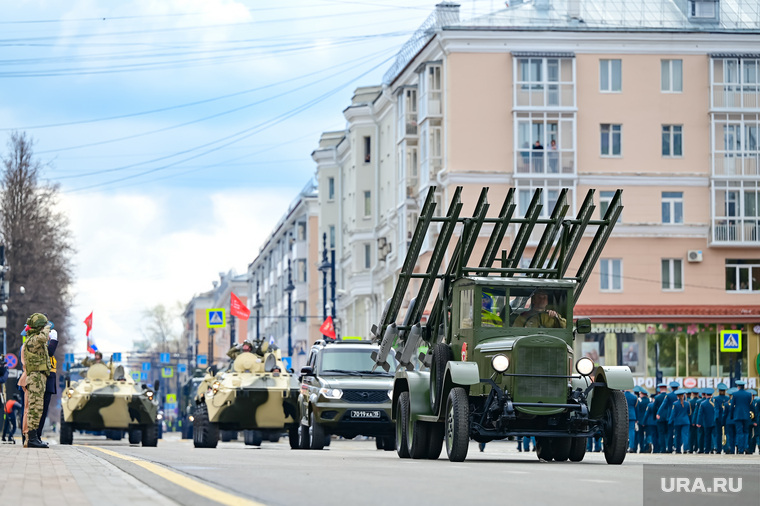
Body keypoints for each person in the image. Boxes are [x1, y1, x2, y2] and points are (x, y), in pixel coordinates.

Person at [22, 312, 51, 449]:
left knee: (38, 408)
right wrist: (46, 330)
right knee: (35, 407)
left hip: (39, 377)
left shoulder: (36, 339)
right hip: (35, 377)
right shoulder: (32, 340)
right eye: (44, 326)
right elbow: (43, 338)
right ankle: (32, 438)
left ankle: (33, 438)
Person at [38, 323, 59, 435]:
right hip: (42, 379)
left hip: (48, 379)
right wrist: (54, 340)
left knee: (44, 409)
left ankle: (37, 435)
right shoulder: (38, 341)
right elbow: (50, 352)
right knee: (38, 409)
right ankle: (34, 435)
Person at [730, 380, 752, 454]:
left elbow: (732, 405)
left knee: (739, 432)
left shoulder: (735, 394)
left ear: (738, 386)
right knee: (746, 431)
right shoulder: (749, 394)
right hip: (746, 415)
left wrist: (731, 415)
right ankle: (746, 446)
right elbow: (750, 404)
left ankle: (740, 448)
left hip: (737, 415)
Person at [669, 389, 691, 454]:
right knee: (685, 435)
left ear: (677, 396)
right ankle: (685, 448)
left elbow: (673, 413)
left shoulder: (675, 404)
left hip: (677, 422)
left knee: (677, 436)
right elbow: (689, 413)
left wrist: (670, 421)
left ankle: (678, 449)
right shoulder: (687, 403)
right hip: (686, 421)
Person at [696, 388, 716, 454]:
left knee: (707, 436)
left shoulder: (703, 403)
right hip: (715, 421)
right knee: (714, 435)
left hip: (706, 422)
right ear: (712, 394)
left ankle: (707, 449)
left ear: (706, 395)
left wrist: (699, 422)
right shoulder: (715, 402)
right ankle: (714, 448)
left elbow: (700, 414)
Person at [625, 388, 637, 453]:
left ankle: (624, 447)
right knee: (631, 431)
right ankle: (632, 447)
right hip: (632, 415)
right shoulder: (634, 397)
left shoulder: (622, 395)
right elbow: (635, 407)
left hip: (623, 415)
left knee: (623, 432)